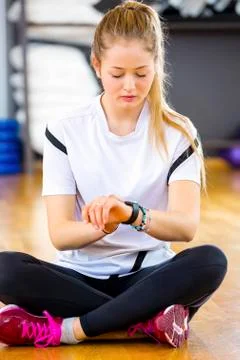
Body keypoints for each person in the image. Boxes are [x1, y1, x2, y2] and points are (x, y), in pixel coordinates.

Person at [0, 0, 227, 349]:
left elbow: (185, 227)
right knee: (6, 269)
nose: (130, 86)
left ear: (156, 66)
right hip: (78, 277)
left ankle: (67, 331)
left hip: (149, 276)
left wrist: (131, 214)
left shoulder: (179, 132)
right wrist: (101, 226)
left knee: (211, 260)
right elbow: (60, 234)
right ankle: (146, 321)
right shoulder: (65, 130)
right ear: (97, 65)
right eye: (117, 74)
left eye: (141, 73)